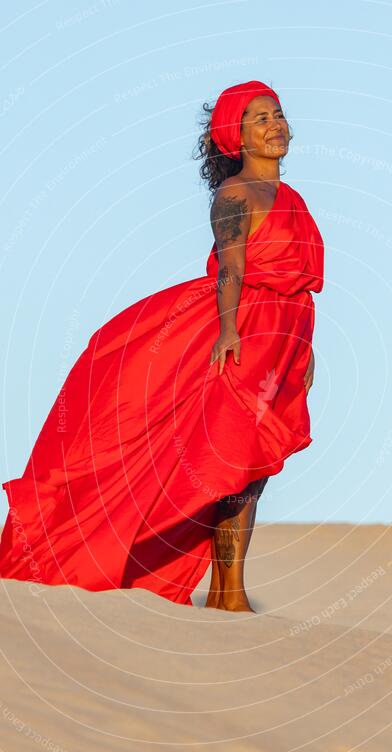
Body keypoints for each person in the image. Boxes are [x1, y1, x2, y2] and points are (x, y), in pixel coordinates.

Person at [0, 80, 324, 612]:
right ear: (234, 138)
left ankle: (226, 593)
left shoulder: (293, 199)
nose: (275, 125)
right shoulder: (236, 195)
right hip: (242, 335)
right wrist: (227, 331)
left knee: (254, 471)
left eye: (278, 114)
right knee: (233, 465)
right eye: (259, 119)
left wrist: (305, 348)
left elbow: (297, 283)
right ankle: (229, 595)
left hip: (284, 338)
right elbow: (232, 269)